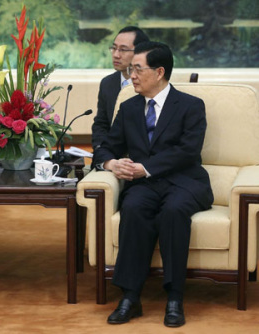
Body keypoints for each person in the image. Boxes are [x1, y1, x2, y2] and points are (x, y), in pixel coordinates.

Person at [93, 41, 213, 328]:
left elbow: (188, 151)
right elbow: (106, 146)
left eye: (137, 69)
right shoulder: (130, 107)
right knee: (133, 208)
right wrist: (111, 164)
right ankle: (130, 297)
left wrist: (144, 168)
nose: (131, 74)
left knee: (173, 212)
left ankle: (174, 297)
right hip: (144, 186)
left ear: (159, 72)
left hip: (184, 182)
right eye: (131, 69)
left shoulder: (190, 106)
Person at [91, 26, 149, 152]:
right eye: (114, 48)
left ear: (140, 52)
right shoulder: (108, 83)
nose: (116, 55)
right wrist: (100, 149)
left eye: (123, 50)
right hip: (113, 154)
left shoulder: (151, 83)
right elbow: (101, 124)